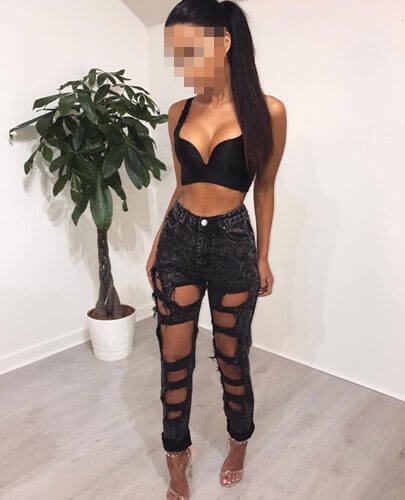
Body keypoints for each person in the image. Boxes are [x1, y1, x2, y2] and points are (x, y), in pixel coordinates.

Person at [146, 1, 287, 498]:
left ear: (223, 42)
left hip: (232, 241)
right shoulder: (178, 113)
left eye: (190, 52)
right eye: (176, 54)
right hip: (180, 238)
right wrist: (158, 243)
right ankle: (176, 452)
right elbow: (180, 185)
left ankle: (239, 438)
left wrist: (263, 255)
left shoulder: (268, 111)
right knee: (173, 358)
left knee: (231, 354)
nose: (181, 66)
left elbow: (265, 188)